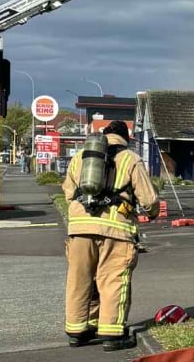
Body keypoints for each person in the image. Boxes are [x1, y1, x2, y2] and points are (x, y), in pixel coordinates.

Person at [62, 120, 159, 351]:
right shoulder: (130, 158)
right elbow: (149, 200)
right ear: (126, 137)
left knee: (79, 280)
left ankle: (77, 331)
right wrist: (152, 213)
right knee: (113, 280)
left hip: (79, 228)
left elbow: (68, 192)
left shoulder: (80, 157)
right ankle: (112, 335)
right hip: (116, 229)